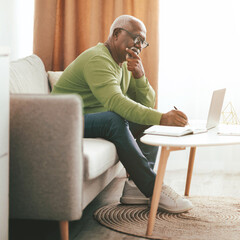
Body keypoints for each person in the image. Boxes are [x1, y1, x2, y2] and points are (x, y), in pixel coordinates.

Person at [51, 15, 193, 213]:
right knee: (114, 119)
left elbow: (145, 104)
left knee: (146, 121)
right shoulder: (98, 59)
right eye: (136, 38)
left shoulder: (124, 64)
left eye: (143, 42)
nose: (139, 45)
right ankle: (154, 188)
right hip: (62, 121)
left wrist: (140, 76)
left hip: (89, 119)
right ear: (116, 34)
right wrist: (163, 117)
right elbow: (116, 102)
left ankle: (135, 188)